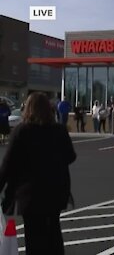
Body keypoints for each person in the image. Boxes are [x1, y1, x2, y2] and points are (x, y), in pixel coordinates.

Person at [0, 92, 76, 254]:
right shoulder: (59, 130)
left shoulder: (22, 131)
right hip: (56, 189)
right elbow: (71, 156)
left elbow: (8, 164)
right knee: (54, 232)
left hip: (30, 192)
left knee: (34, 236)